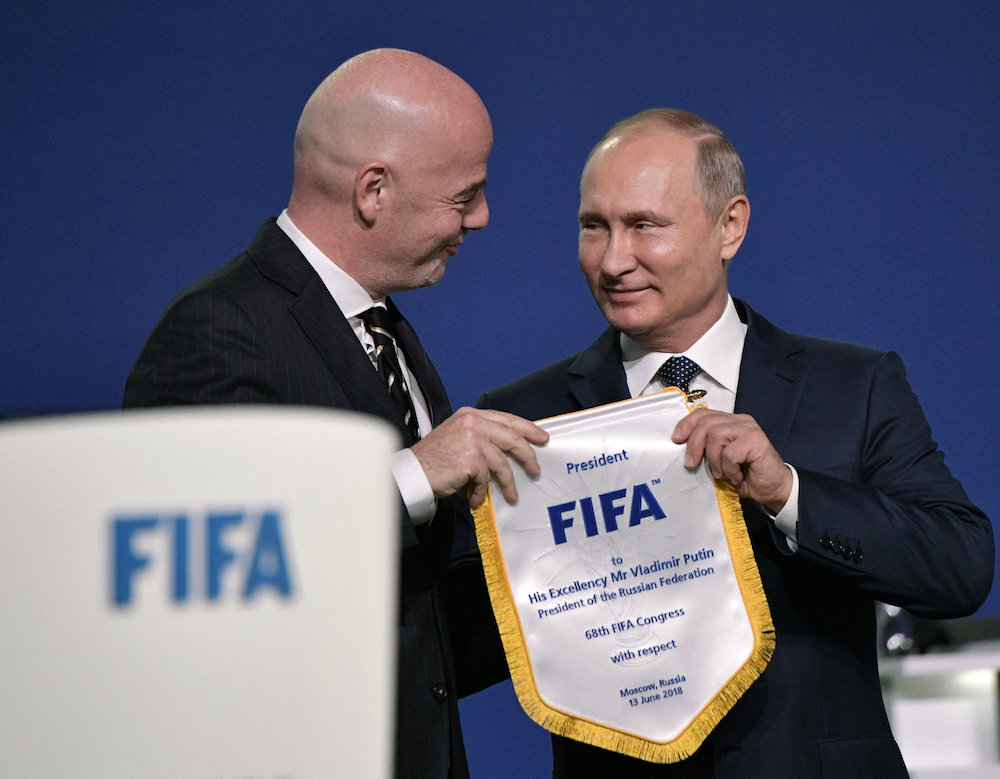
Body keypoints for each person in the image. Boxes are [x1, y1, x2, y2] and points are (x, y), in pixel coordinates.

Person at [477, 108, 994, 778]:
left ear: (731, 225)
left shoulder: (854, 386)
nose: (612, 260)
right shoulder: (524, 418)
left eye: (643, 226)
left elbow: (960, 566)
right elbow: (462, 647)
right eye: (592, 226)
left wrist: (789, 493)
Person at [123, 48, 547, 778]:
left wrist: (567, 581)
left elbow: (414, 620)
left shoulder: (381, 326)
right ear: (373, 190)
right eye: (463, 194)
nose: (482, 216)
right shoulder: (217, 330)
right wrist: (416, 474)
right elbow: (210, 571)